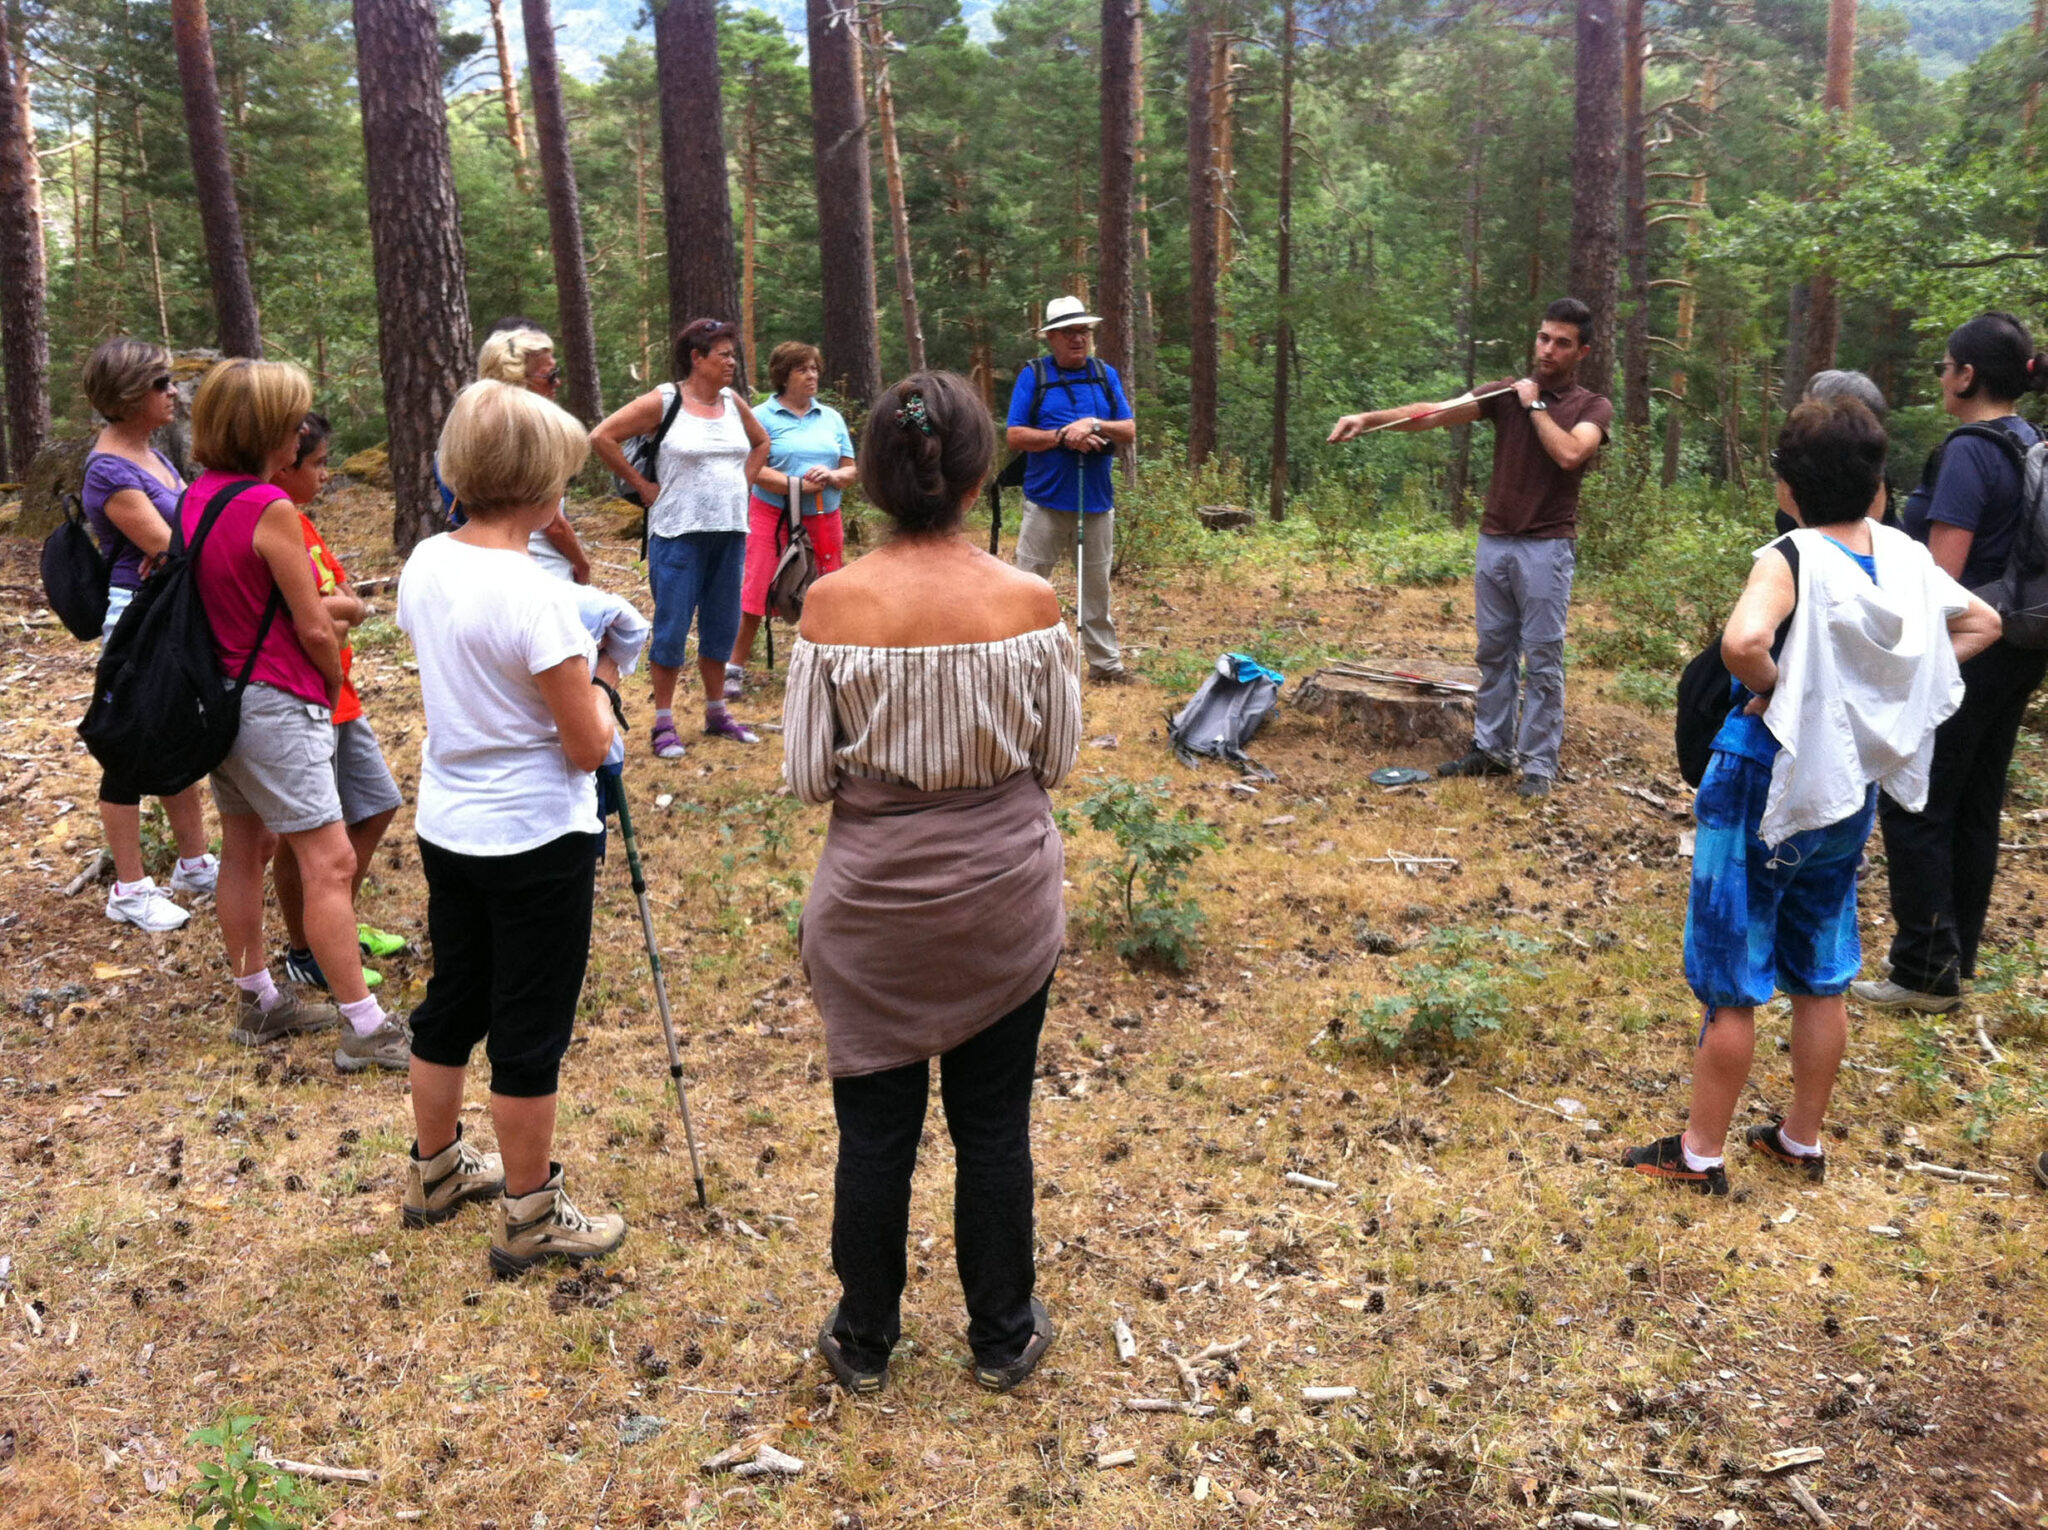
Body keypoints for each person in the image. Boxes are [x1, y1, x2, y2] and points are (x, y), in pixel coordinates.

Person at [786, 371, 1081, 1394]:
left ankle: (862, 1340)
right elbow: (1057, 758)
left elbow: (805, 774)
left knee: (875, 1133)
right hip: (1003, 896)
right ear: (976, 472)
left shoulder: (829, 603)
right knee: (993, 1126)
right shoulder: (1031, 602)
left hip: (869, 905)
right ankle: (1001, 1335)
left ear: (868, 474)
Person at [1623, 399, 2000, 1194]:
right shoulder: (1902, 555)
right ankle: (1800, 1139)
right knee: (1822, 969)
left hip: (1763, 778)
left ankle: (1698, 1155)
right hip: (1844, 786)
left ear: (1787, 484)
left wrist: (1785, 691)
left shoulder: (1790, 554)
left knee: (1731, 971)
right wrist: (1876, 701)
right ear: (1877, 487)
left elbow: (1743, 643)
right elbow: (1982, 625)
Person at [396, 379, 626, 1271]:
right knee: (531, 1025)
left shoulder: (426, 561)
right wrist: (606, 673)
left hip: (450, 821)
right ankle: (530, 1213)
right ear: (542, 484)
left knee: (453, 997)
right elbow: (583, 745)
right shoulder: (534, 594)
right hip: (537, 834)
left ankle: (436, 1171)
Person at [181, 360, 408, 1069]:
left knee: (244, 846)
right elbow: (315, 627)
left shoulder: (198, 498)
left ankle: (259, 999)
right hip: (276, 700)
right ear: (268, 432)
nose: (299, 431)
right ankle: (366, 1029)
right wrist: (328, 681)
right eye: (292, 421)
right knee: (330, 860)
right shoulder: (268, 508)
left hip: (217, 699)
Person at [1329, 297, 1613, 799]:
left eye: (1562, 343)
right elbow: (1431, 414)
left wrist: (1535, 404)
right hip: (1495, 541)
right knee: (1494, 652)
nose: (1548, 349)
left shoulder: (1591, 406)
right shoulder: (1504, 393)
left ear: (1581, 351)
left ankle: (1538, 765)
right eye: (1544, 337)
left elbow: (1571, 454)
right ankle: (1491, 749)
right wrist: (1367, 418)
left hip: (1547, 547)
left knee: (1543, 659)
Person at [1854, 312, 2048, 1013]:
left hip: (1969, 646)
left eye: (1945, 365)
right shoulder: (2030, 438)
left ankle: (1923, 970)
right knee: (1975, 801)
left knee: (1918, 799)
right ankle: (1955, 955)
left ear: (1967, 375)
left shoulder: (1969, 451)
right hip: (2024, 643)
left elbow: (1943, 576)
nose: (1941, 375)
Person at [77, 339, 219, 930]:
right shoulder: (110, 468)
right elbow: (174, 546)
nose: (174, 392)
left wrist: (176, 546)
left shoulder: (152, 453)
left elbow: (178, 539)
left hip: (168, 608)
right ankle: (129, 890)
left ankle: (193, 861)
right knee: (133, 738)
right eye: (162, 383)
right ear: (132, 394)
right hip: (136, 617)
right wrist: (175, 547)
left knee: (175, 727)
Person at [266, 414, 407, 991]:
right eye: (318, 463)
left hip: (341, 695)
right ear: (285, 465)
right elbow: (316, 619)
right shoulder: (275, 523)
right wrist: (343, 613)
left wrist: (345, 611)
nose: (327, 475)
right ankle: (307, 948)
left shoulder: (302, 523)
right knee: (308, 830)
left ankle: (334, 927)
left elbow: (346, 599)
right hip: (310, 693)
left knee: (375, 806)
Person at [590, 319, 770, 757]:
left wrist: (741, 483)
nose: (732, 362)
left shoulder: (732, 402)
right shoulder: (665, 400)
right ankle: (663, 723)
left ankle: (715, 712)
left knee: (721, 625)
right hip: (677, 532)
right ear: (697, 358)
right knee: (671, 628)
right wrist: (643, 485)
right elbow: (602, 437)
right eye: (723, 354)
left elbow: (761, 444)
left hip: (729, 531)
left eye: (733, 354)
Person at [1004, 295, 1138, 684]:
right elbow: (1015, 435)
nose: (1078, 339)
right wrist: (1063, 436)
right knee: (1029, 583)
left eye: (1084, 331)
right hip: (1045, 500)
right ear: (1051, 338)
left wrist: (1093, 424)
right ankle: (1019, 660)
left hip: (1095, 501)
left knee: (1096, 588)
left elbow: (1127, 429)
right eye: (1069, 332)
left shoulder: (1104, 373)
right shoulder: (1034, 375)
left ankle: (1105, 666)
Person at [727, 341, 856, 697]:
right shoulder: (761, 416)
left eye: (814, 368)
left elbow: (851, 468)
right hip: (772, 515)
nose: (812, 375)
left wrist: (833, 478)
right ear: (784, 375)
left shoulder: (831, 418)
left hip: (824, 515)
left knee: (828, 588)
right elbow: (750, 467)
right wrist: (796, 486)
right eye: (803, 369)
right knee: (758, 586)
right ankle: (733, 667)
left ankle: (828, 664)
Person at [461, 326, 593, 584]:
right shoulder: (541, 436)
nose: (558, 382)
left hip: (484, 563)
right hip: (542, 569)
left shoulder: (472, 428)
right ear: (518, 379)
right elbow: (554, 525)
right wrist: (582, 564)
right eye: (549, 375)